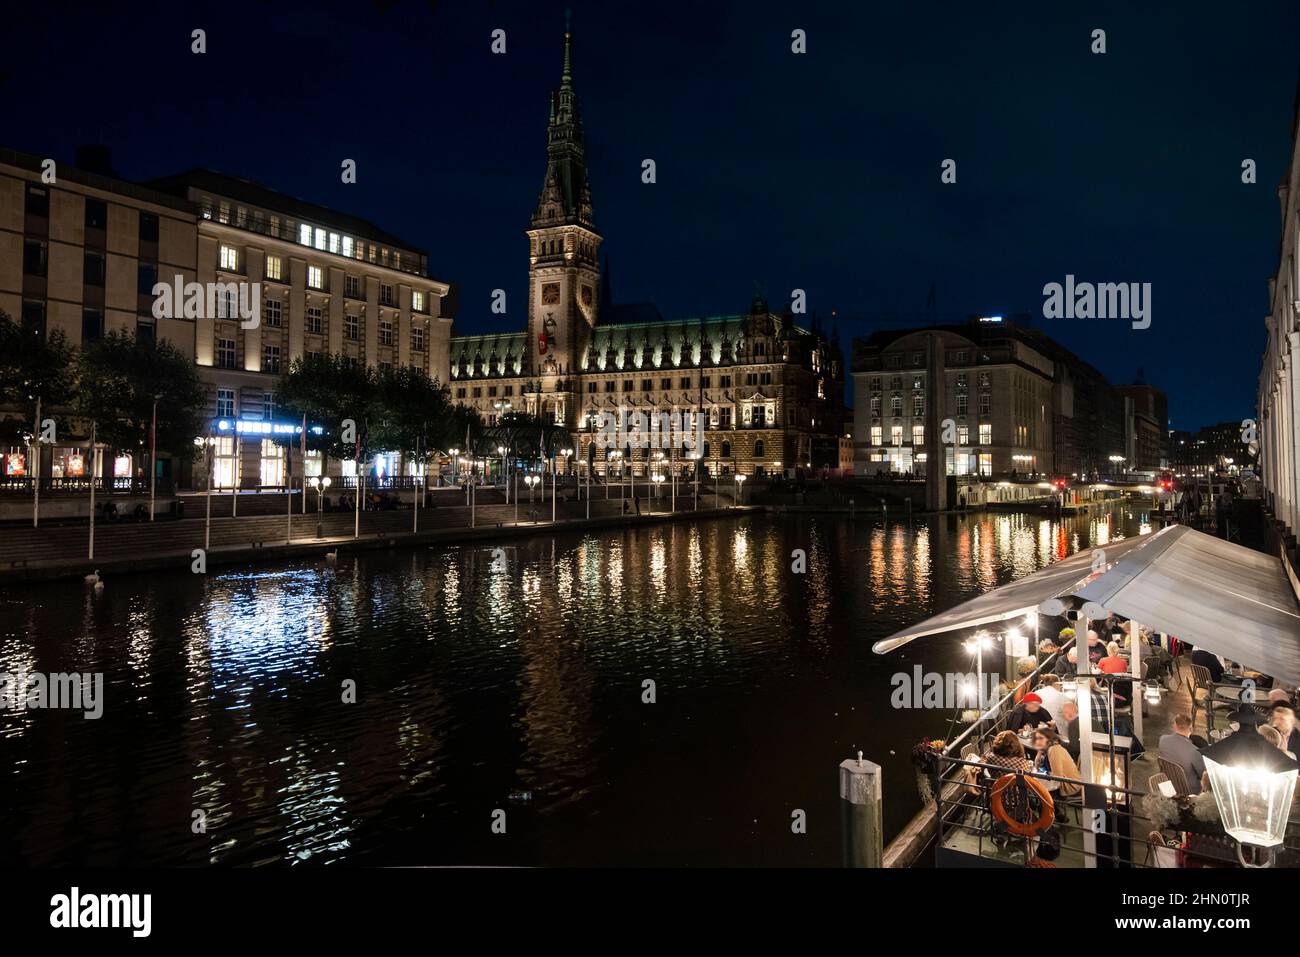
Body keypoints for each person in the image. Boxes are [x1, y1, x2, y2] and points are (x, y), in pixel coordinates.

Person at [1158, 713, 1206, 795]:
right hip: (1189, 791)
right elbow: (1203, 775)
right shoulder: (1194, 751)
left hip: (1168, 785)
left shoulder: (1162, 740)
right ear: (1191, 729)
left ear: (1174, 726)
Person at [1031, 727, 1083, 798]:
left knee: (1034, 790)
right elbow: (1037, 768)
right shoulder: (1046, 750)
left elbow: (1057, 778)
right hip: (1056, 784)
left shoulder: (1054, 750)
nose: (1037, 741)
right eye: (1036, 738)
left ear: (1049, 739)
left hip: (1070, 787)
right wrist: (1039, 752)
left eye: (1041, 738)